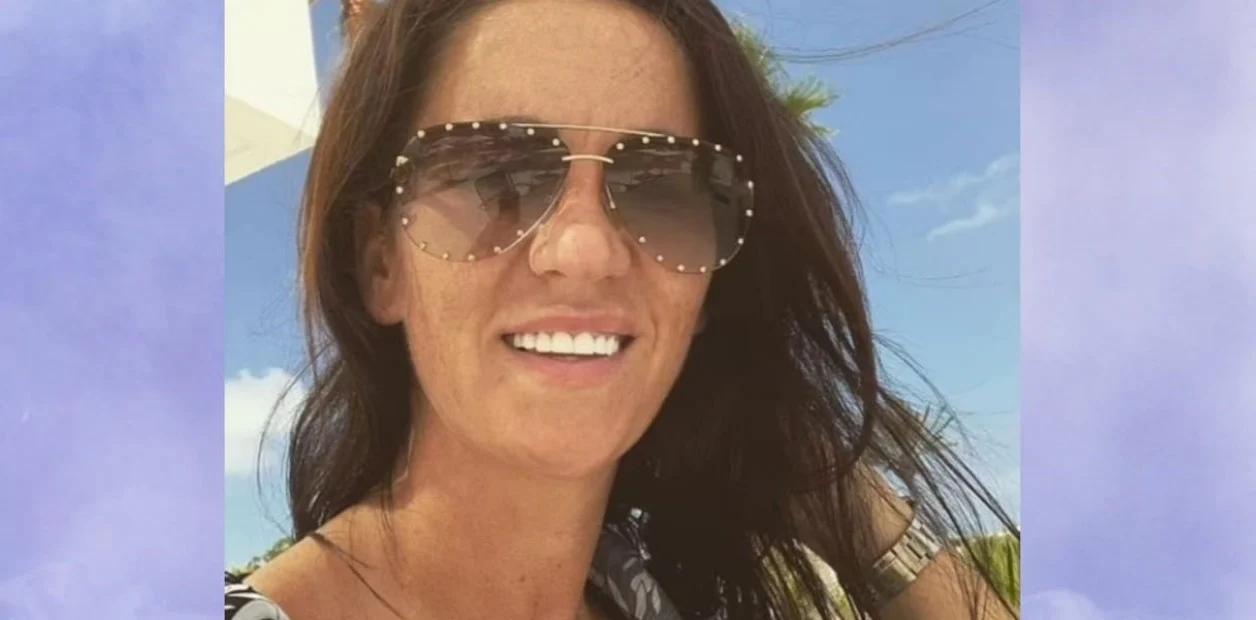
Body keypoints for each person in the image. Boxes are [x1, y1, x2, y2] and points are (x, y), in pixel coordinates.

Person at [225, 0, 1019, 618]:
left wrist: (837, 491)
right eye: (492, 176)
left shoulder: (652, 594)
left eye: (664, 190)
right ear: (381, 264)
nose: (585, 249)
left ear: (707, 292)